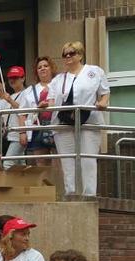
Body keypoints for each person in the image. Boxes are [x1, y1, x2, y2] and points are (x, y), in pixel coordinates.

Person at [46, 41, 110, 198]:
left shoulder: (94, 72)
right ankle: (71, 193)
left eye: (71, 53)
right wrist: (45, 104)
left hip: (88, 122)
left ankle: (89, 195)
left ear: (80, 55)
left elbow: (105, 92)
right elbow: (51, 100)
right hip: (63, 124)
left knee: (88, 160)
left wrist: (102, 102)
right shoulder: (58, 79)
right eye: (65, 54)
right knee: (68, 162)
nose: (67, 56)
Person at [26, 57, 57, 163]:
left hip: (57, 127)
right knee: (42, 165)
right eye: (39, 67)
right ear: (36, 72)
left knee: (59, 164)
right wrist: (22, 133)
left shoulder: (59, 84)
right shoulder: (30, 91)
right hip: (38, 129)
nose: (43, 68)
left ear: (51, 68)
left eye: (46, 66)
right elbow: (21, 112)